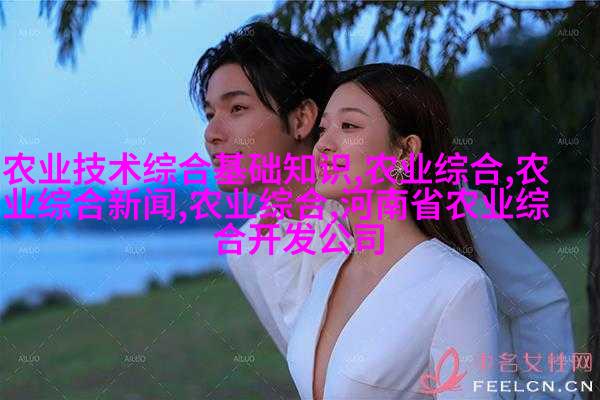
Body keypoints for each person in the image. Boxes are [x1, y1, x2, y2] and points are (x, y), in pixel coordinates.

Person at [189, 22, 580, 400]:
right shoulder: (247, 250)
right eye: (209, 114)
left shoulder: (430, 197)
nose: (212, 133)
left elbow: (538, 302)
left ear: (302, 118)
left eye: (236, 108)